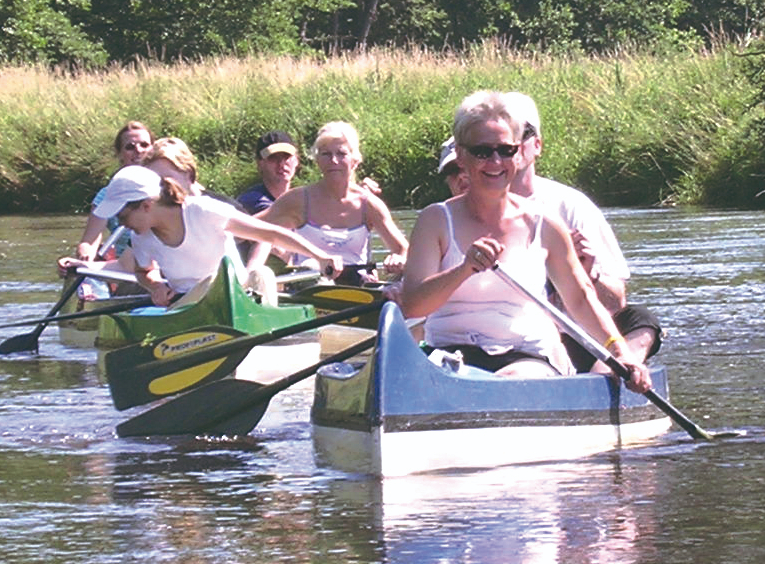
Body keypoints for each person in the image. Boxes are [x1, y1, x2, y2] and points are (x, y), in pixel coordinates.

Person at [400, 93, 652, 391]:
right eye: (482, 151)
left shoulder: (546, 224)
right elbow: (413, 305)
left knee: (509, 382)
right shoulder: (435, 220)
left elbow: (581, 299)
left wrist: (620, 352)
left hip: (526, 356)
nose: (495, 161)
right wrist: (464, 268)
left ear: (518, 153)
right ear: (461, 154)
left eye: (505, 150)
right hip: (449, 357)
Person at [495, 89, 663, 369]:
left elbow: (616, 301)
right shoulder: (471, 209)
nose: (510, 144)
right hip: (513, 337)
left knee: (641, 321)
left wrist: (589, 274)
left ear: (537, 145)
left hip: (573, 337)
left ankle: (608, 377)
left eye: (520, 134)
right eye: (499, 138)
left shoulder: (571, 206)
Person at [99, 154, 335, 308]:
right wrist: (155, 286)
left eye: (123, 215)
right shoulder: (141, 236)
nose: (121, 224)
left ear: (146, 206)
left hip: (236, 294)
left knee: (261, 274)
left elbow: (271, 234)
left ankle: (265, 334)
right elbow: (144, 271)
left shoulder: (204, 211)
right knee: (216, 281)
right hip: (185, 305)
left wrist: (320, 256)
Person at [259, 121, 409, 282]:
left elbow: (402, 249)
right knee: (312, 265)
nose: (334, 161)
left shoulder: (369, 205)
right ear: (317, 160)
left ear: (355, 161)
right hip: (309, 285)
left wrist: (398, 259)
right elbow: (249, 227)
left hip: (357, 287)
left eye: (341, 154)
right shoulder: (297, 200)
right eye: (326, 154)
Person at [62, 121, 156, 270]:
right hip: (123, 267)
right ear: (119, 154)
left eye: (144, 145)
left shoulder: (166, 189)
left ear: (153, 149)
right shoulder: (106, 196)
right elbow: (90, 241)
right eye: (130, 147)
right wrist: (85, 255)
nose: (138, 151)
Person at [233, 131, 301, 215]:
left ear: (297, 160)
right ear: (260, 163)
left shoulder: (300, 199)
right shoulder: (252, 201)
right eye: (273, 158)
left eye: (286, 156)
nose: (281, 164)